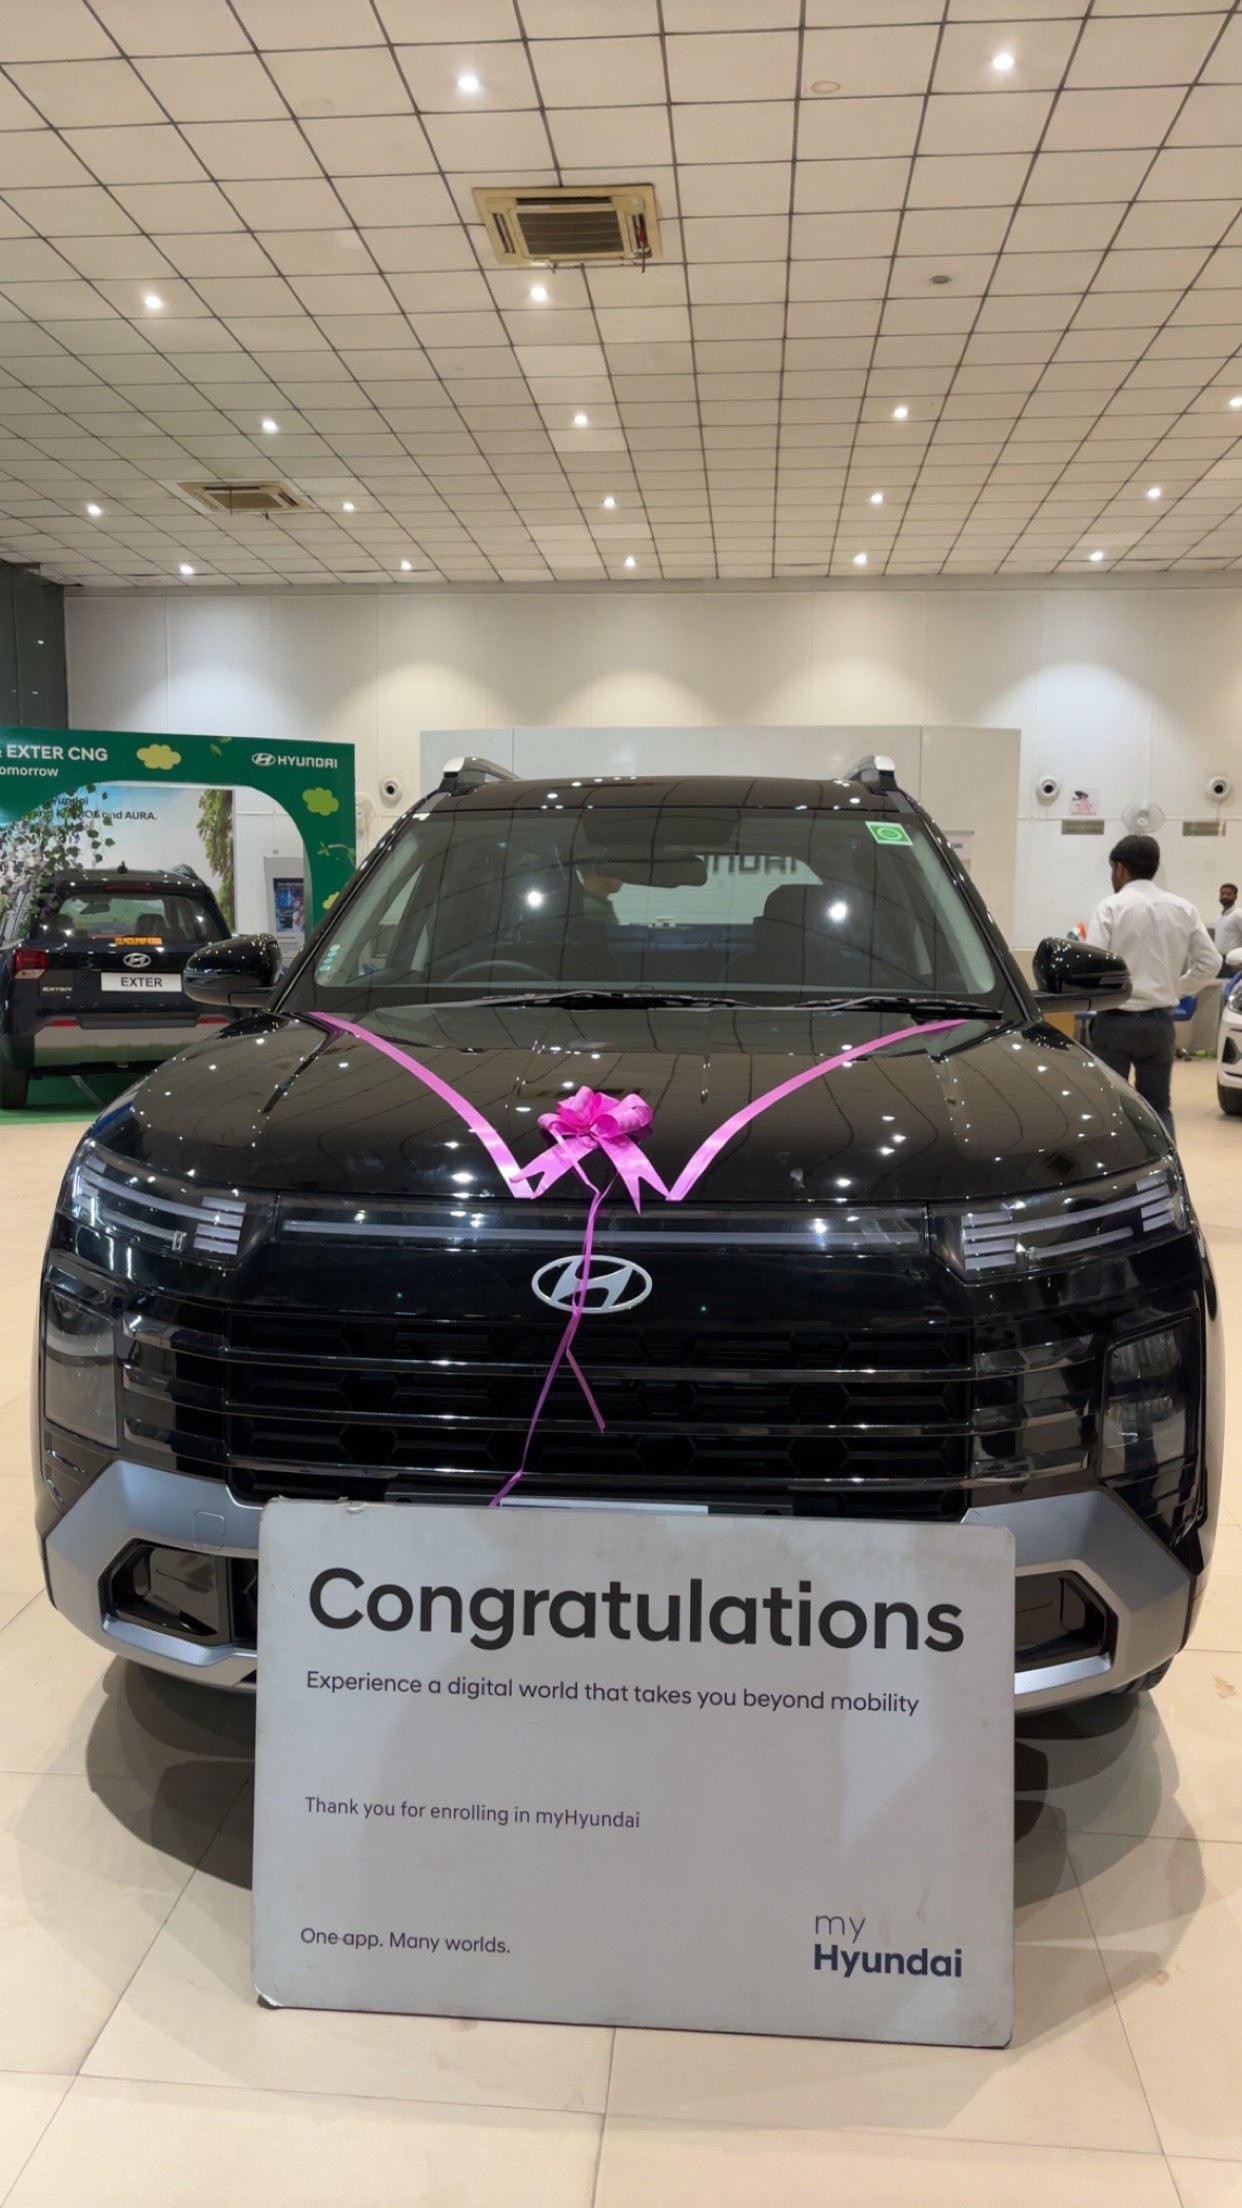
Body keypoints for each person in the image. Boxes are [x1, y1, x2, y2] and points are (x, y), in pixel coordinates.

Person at [1085, 835, 1220, 1138]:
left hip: (1115, 1023)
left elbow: (1092, 965)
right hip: (1159, 1024)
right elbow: (1210, 962)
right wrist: (1178, 988)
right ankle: (1164, 1166)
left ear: (1120, 869)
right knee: (1158, 1108)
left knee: (1110, 1109)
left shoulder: (1110, 907)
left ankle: (1118, 1167)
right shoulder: (1183, 909)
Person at [1215, 882, 1242, 963]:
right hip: (1219, 960)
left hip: (1234, 962)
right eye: (1222, 894)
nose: (1225, 896)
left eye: (1228, 894)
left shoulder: (1238, 914)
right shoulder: (1220, 916)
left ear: (1235, 897)